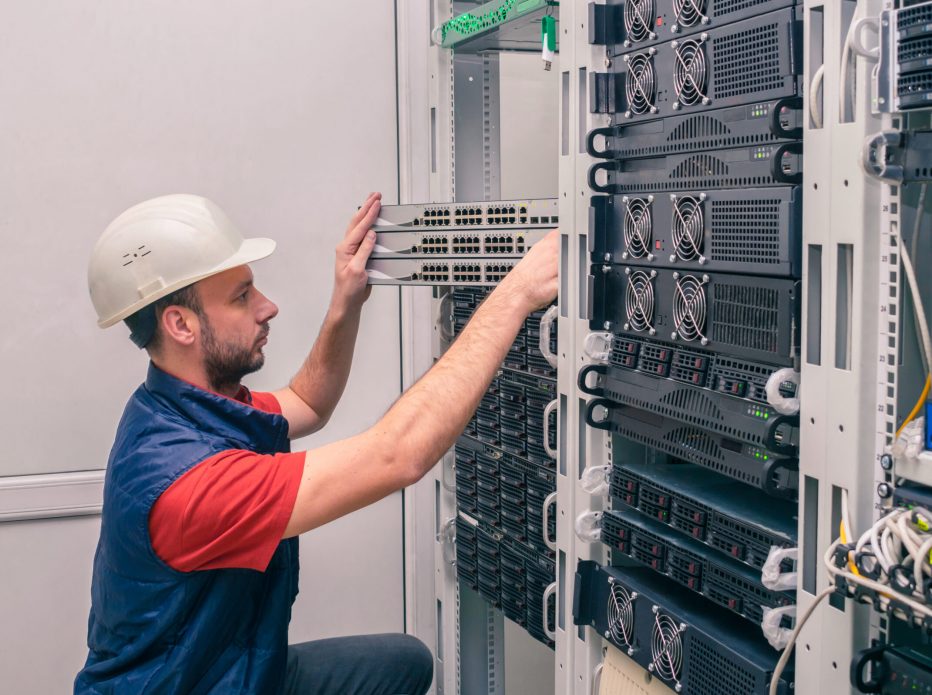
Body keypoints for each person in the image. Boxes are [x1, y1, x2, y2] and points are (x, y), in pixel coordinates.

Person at [76, 192, 559, 694]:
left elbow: (307, 402)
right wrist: (516, 293)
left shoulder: (183, 408)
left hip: (221, 668)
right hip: (193, 684)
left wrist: (344, 303)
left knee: (403, 663)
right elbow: (400, 454)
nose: (268, 307)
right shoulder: (190, 484)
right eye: (242, 296)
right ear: (181, 324)